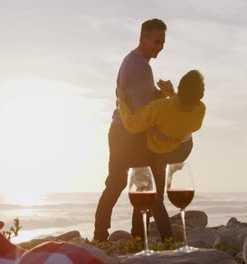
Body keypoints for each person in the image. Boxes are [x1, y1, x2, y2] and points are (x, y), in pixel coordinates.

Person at [93, 18, 174, 242]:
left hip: (121, 132)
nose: (159, 47)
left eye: (163, 42)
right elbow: (142, 112)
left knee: (122, 183)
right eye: (156, 41)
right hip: (128, 134)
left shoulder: (136, 62)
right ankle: (134, 237)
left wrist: (160, 93)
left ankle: (103, 237)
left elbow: (140, 101)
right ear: (143, 37)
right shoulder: (138, 66)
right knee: (139, 185)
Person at [118, 69, 206, 172]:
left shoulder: (157, 108)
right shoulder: (200, 109)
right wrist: (171, 94)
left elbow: (131, 126)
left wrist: (121, 101)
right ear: (199, 96)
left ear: (179, 87)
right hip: (178, 154)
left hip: (154, 154)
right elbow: (182, 112)